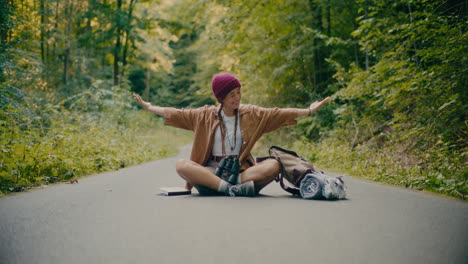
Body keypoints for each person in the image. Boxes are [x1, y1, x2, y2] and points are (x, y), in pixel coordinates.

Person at [133, 73, 330, 197]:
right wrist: (149, 107)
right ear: (221, 98)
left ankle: (229, 187)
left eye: (238, 92)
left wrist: (309, 111)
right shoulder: (204, 115)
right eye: (232, 94)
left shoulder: (251, 113)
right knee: (181, 165)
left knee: (273, 164)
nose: (237, 97)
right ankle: (228, 188)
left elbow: (278, 113)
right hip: (211, 172)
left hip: (241, 172)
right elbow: (175, 112)